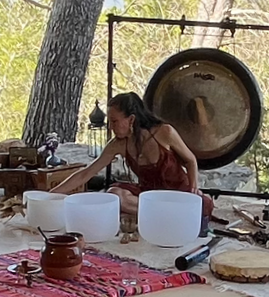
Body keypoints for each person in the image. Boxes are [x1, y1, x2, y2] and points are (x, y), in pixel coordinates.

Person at [49, 90, 200, 210]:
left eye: (114, 121)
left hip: (177, 196)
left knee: (199, 207)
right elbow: (86, 173)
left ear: (131, 120)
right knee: (114, 195)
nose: (110, 127)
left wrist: (193, 191)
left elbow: (190, 160)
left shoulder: (164, 132)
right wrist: (50, 196)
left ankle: (165, 212)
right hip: (147, 197)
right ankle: (162, 213)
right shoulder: (118, 144)